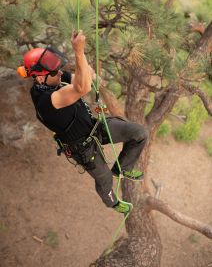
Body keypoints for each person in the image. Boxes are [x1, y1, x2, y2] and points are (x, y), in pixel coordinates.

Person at [17, 30, 148, 214]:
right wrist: (79, 52)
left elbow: (84, 77)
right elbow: (83, 86)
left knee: (139, 133)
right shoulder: (46, 102)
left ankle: (122, 168)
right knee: (104, 179)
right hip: (83, 147)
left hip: (94, 127)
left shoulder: (52, 79)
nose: (60, 72)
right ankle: (112, 203)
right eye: (55, 71)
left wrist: (87, 70)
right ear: (40, 78)